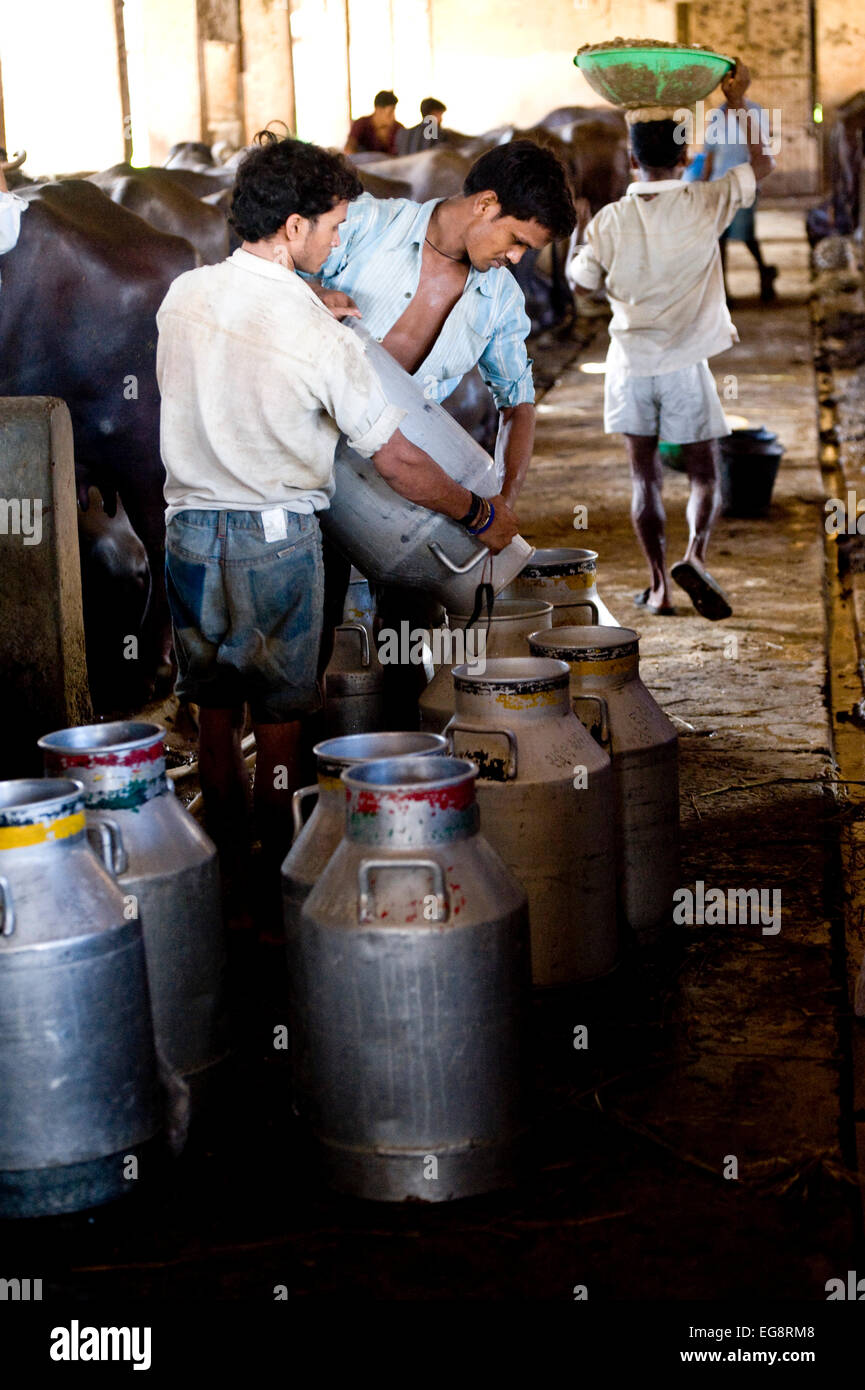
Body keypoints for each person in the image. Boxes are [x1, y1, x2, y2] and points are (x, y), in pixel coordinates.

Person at [155, 133, 517, 900]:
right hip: (275, 543)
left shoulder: (182, 297)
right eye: (333, 226)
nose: (338, 238)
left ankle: (220, 884)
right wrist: (479, 510)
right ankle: (273, 887)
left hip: (187, 535)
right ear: (294, 228)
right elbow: (397, 462)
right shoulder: (322, 337)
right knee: (284, 727)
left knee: (214, 716)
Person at [305, 139, 576, 716]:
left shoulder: (499, 299)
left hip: (406, 478)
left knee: (409, 635)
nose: (517, 260)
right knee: (314, 627)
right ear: (485, 204)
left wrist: (502, 498)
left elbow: (518, 403)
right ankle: (313, 772)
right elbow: (267, 269)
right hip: (308, 456)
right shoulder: (364, 225)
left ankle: (405, 764)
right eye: (517, 241)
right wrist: (313, 291)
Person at [566, 79, 774, 619]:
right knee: (705, 475)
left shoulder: (611, 219)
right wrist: (736, 105)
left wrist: (579, 241)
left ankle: (659, 587)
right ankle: (696, 557)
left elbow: (582, 285)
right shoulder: (707, 201)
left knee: (644, 478)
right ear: (685, 156)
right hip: (686, 365)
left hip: (630, 366)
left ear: (632, 161)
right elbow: (764, 164)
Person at [683, 62, 778, 303]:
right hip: (719, 182)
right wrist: (702, 184)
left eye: (735, 81)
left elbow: (761, 150)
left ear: (743, 83)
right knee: (720, 237)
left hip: (745, 181)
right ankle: (724, 291)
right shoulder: (716, 115)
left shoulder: (755, 112)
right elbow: (710, 153)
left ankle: (764, 274)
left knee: (746, 235)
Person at [344, 90, 403, 156]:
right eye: (390, 113)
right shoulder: (361, 125)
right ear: (378, 110)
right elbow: (348, 150)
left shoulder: (398, 128)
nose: (393, 117)